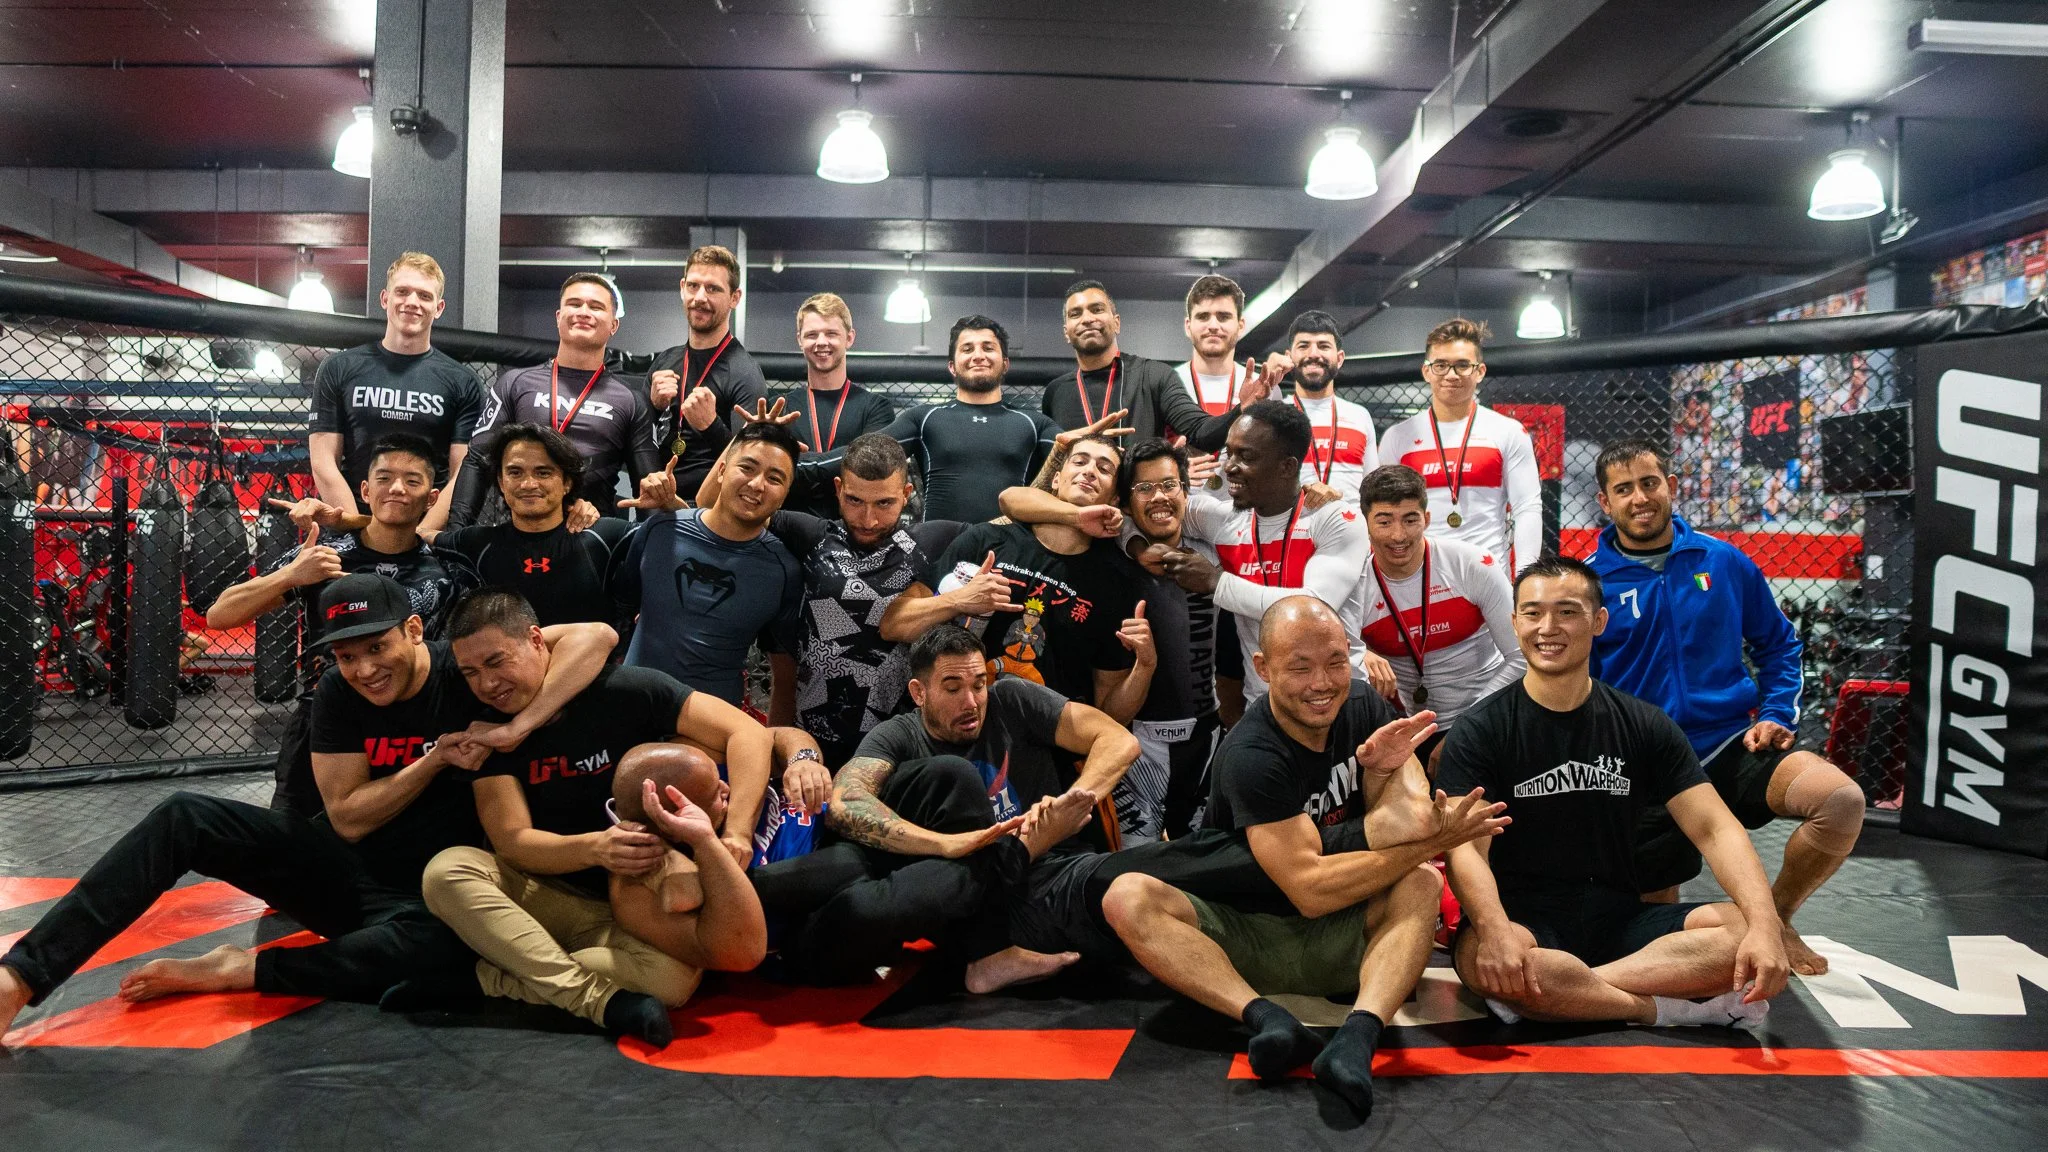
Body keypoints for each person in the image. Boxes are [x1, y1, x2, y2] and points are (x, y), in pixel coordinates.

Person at [0, 574, 616, 1041]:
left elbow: (599, 635)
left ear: (412, 630)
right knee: (185, 814)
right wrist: (432, 761)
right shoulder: (338, 694)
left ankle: (242, 970)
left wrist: (517, 727)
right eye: (347, 657)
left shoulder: (466, 671)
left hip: (433, 892)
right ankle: (20, 976)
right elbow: (348, 817)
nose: (365, 669)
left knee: (451, 951)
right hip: (344, 870)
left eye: (376, 647)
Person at [1099, 596, 1497, 1119]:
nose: (1321, 683)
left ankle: (1358, 1037)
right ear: (1263, 669)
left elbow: (1416, 817)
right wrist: (1426, 840)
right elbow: (1309, 891)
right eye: (1300, 667)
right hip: (1246, 937)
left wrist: (1381, 776)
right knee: (1127, 895)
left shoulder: (1364, 708)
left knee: (1421, 882)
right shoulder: (1251, 754)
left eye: (1335, 662)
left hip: (1346, 932)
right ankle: (1266, 1019)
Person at [1440, 557, 1791, 1031]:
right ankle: (1670, 1009)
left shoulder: (1644, 723)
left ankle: (1560, 995)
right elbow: (1466, 851)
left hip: (1620, 918)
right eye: (1533, 613)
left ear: (1599, 620)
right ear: (1514, 622)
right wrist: (1495, 930)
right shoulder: (1479, 730)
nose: (1548, 628)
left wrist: (1767, 927)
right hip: (1521, 923)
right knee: (1490, 956)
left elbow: (1715, 828)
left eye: (1567, 611)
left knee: (1743, 932)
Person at [421, 589, 774, 1048]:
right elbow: (512, 841)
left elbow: (747, 733)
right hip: (547, 896)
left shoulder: (626, 689)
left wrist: (738, 831)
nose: (487, 683)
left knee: (671, 982)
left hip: (635, 905)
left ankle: (494, 975)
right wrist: (596, 847)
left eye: (496, 661)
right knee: (446, 872)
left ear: (537, 640)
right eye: (471, 672)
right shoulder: (485, 725)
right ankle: (596, 999)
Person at [1588, 439, 1864, 977]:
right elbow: (1579, 680)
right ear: (1605, 502)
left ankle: (1776, 919)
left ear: (1671, 486)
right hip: (1644, 765)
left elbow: (1779, 645)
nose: (1640, 498)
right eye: (1624, 489)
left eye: (1649, 483)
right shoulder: (1590, 581)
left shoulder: (1724, 560)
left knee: (1840, 802)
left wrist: (1776, 713)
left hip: (1728, 744)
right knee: (1650, 929)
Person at [750, 624, 1136, 989]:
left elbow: (1118, 741)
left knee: (914, 875)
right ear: (919, 693)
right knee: (949, 783)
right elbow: (843, 802)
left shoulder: (1012, 699)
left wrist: (1073, 802)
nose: (971, 702)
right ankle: (990, 950)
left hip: (970, 880)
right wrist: (946, 843)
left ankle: (989, 951)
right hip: (889, 877)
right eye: (952, 689)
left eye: (979, 685)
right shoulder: (899, 735)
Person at [210, 433, 469, 818]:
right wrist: (291, 575)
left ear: (432, 497)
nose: (397, 488)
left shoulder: (448, 567)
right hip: (323, 715)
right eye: (384, 478)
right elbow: (220, 615)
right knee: (292, 838)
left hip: (413, 722)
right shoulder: (327, 554)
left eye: (412, 480)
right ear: (365, 489)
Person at [999, 438, 1220, 841]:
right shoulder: (1111, 554)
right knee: (1132, 863)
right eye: (1144, 488)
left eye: (1169, 485)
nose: (1158, 496)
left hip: (1207, 737)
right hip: (1135, 745)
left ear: (1185, 489)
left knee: (1205, 856)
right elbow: (1011, 498)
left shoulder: (1217, 545)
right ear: (1125, 503)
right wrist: (1128, 539)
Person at [906, 435, 1153, 726]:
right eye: (1080, 461)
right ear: (1056, 479)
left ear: (1115, 499)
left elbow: (1109, 715)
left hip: (1044, 738)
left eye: (1104, 468)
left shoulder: (1114, 583)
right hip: (959, 725)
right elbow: (895, 624)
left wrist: (1146, 665)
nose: (1089, 471)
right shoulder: (987, 539)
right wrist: (957, 600)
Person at [753, 433, 966, 770]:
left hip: (898, 745)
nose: (868, 519)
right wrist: (753, 441)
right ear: (838, 489)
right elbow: (721, 511)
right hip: (812, 740)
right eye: (854, 500)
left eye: (884, 503)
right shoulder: (813, 535)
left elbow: (1013, 523)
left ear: (906, 494)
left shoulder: (932, 540)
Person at [1153, 400, 1371, 698]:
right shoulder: (1223, 519)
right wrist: (1138, 544)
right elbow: (1141, 509)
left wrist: (1215, 582)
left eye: (1246, 456)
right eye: (1229, 453)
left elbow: (1312, 607)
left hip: (1336, 698)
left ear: (1287, 467)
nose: (1229, 467)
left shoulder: (1335, 519)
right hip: (1264, 703)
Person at [613, 422, 804, 730]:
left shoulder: (784, 571)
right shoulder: (659, 529)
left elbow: (784, 676)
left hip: (711, 732)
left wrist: (771, 744)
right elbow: (619, 615)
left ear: (784, 495)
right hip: (630, 711)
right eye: (747, 468)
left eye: (774, 478)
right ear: (721, 471)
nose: (757, 484)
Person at [448, 273, 662, 528]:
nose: (583, 312)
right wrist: (456, 531)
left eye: (596, 307)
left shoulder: (631, 401)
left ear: (613, 325)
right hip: (520, 532)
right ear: (559, 317)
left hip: (591, 534)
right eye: (574, 304)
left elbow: (649, 489)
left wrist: (648, 543)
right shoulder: (515, 383)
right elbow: (476, 460)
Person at [798, 315, 1060, 523]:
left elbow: (1076, 455)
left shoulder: (1035, 424)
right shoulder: (924, 418)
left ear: (1005, 363)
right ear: (952, 366)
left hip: (1010, 552)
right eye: (967, 349)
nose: (978, 355)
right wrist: (790, 461)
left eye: (988, 348)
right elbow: (859, 453)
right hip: (940, 553)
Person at [1354, 464, 1523, 766]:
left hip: (1485, 715)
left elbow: (1521, 657)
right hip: (1404, 729)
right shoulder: (1355, 584)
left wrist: (1466, 729)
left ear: (1427, 519)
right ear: (1365, 523)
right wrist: (1357, 652)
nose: (1398, 535)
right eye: (1384, 522)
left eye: (1410, 520)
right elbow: (1331, 651)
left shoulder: (1472, 564)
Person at [307, 251, 484, 534]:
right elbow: (323, 461)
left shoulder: (463, 382)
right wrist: (358, 531)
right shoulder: (338, 368)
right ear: (385, 299)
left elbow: (462, 474)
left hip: (423, 533)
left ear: (438, 308)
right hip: (353, 528)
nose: (412, 302)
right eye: (402, 291)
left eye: (424, 296)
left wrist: (420, 537)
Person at [1377, 318, 1542, 572]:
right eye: (1441, 365)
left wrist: (1525, 579)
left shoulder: (1508, 432)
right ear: (1426, 371)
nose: (1451, 375)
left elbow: (1527, 508)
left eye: (1463, 365)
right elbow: (1383, 512)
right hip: (1420, 577)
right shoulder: (1398, 437)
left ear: (1480, 372)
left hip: (1488, 576)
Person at [432, 422, 630, 627]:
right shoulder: (478, 542)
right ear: (501, 481)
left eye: (543, 473)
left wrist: (656, 505)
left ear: (567, 482)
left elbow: (652, 542)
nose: (528, 484)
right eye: (515, 473)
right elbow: (419, 535)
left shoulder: (606, 537)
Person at [1051, 279, 1273, 447]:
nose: (1087, 319)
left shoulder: (1154, 376)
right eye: (1075, 314)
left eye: (1097, 309)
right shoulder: (1055, 393)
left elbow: (1199, 430)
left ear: (1116, 323)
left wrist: (1241, 410)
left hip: (1138, 496)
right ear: (1066, 332)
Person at [646, 245, 771, 497]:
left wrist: (710, 425)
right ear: (682, 288)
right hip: (659, 502)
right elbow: (638, 442)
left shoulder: (744, 373)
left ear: (735, 298)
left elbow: (750, 463)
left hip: (709, 510)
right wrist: (654, 408)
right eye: (693, 286)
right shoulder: (665, 361)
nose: (700, 297)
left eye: (713, 289)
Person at [777, 293, 896, 516]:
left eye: (831, 333)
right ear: (800, 340)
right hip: (789, 529)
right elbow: (772, 473)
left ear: (849, 338)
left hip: (856, 529)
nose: (821, 342)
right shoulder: (780, 408)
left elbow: (869, 468)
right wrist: (844, 461)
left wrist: (796, 464)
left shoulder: (876, 408)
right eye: (812, 334)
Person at [1278, 310, 1378, 504]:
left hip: (1349, 522)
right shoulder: (1273, 416)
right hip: (1290, 523)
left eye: (1323, 346)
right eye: (1303, 346)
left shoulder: (1360, 416)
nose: (1313, 354)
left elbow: (1373, 490)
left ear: (1339, 359)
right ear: (1289, 357)